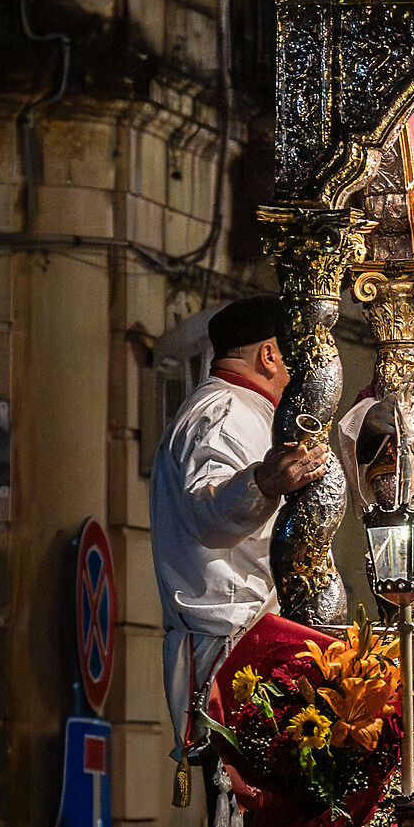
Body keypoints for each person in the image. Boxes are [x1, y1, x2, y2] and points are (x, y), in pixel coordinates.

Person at [148, 294, 332, 774]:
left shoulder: (242, 406)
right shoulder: (225, 411)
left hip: (253, 642)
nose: (301, 374)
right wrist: (263, 482)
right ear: (269, 355)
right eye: (298, 357)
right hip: (235, 653)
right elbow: (208, 511)